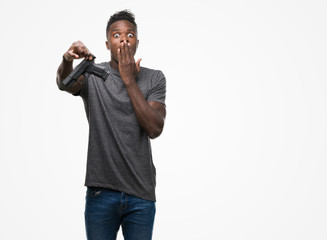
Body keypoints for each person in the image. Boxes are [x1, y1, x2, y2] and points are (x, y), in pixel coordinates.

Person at [56, 10, 166, 240]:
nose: (124, 39)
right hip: (101, 192)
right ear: (107, 44)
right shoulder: (95, 74)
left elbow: (155, 128)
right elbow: (64, 84)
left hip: (141, 195)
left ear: (137, 41)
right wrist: (67, 60)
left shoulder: (154, 78)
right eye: (117, 35)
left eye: (130, 34)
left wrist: (128, 80)